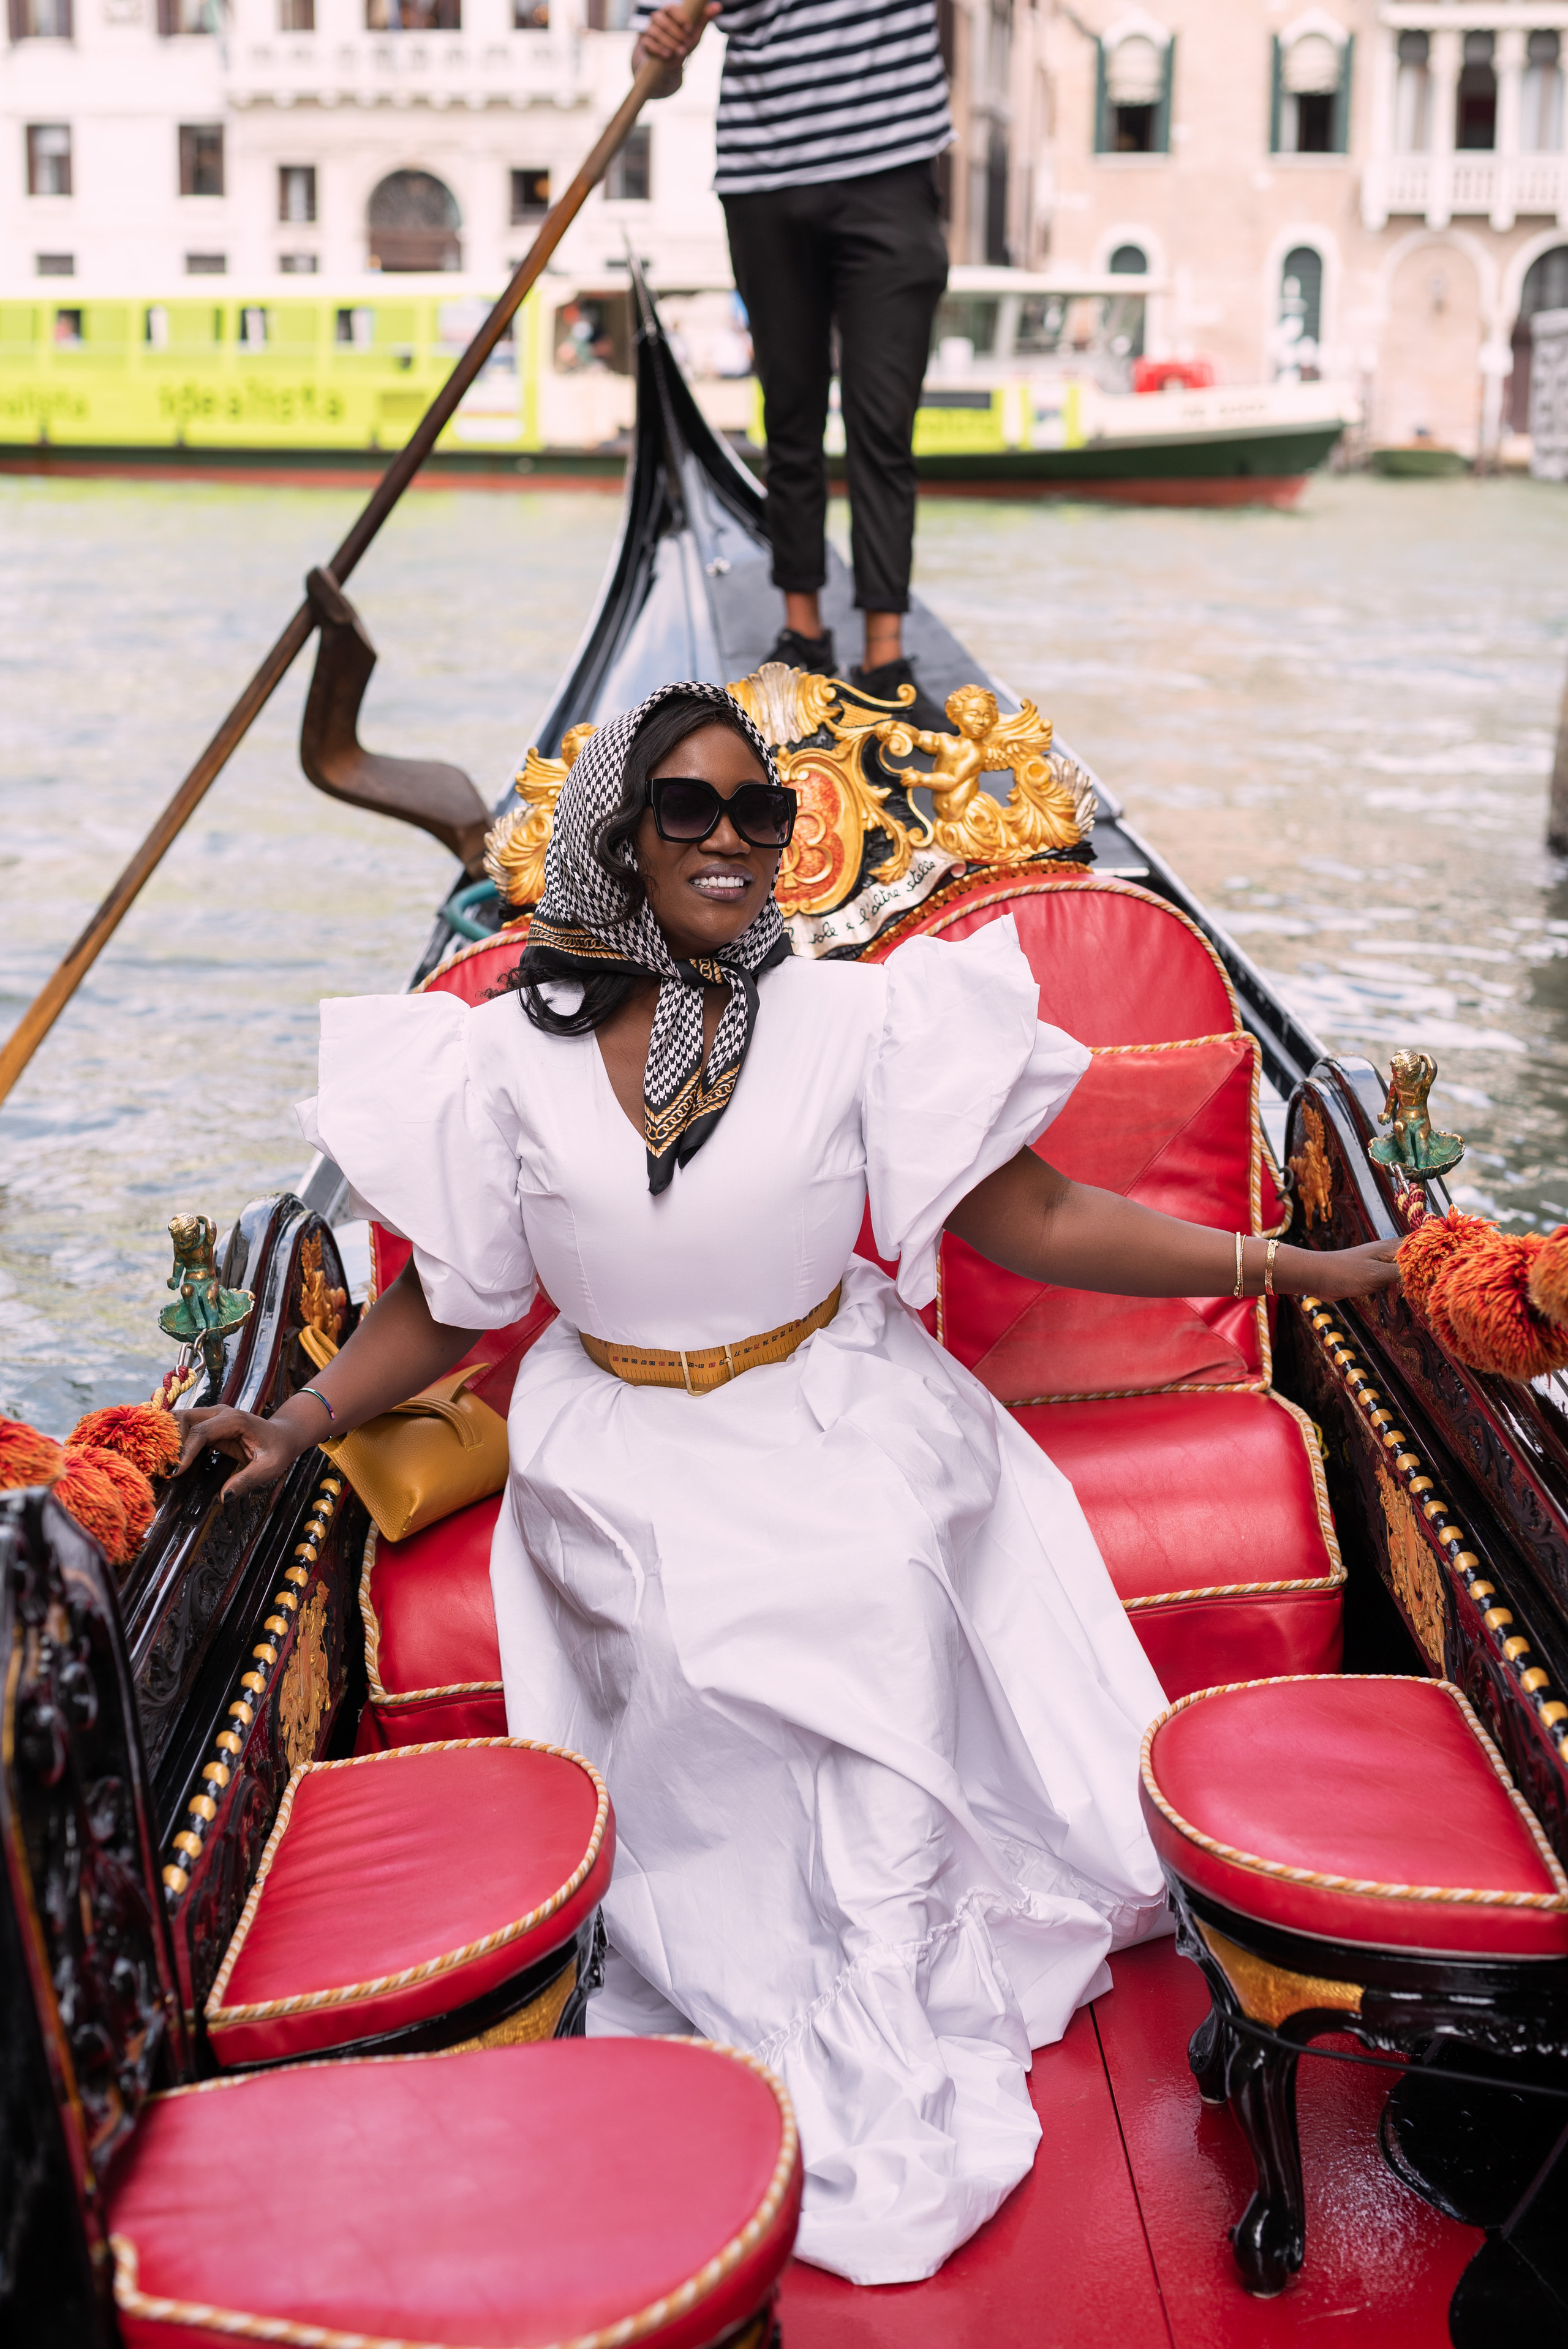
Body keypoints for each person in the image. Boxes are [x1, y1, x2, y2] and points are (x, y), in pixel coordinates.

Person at [180, 682, 1400, 2287]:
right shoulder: (503, 1059)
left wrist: (1294, 1267)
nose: (732, 842)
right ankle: (765, 1979)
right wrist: (297, 1416)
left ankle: (884, 2002)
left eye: (760, 813)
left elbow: (1035, 1219)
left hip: (842, 1404)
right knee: (698, 1631)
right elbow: (454, 1301)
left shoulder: (854, 1021)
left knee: (872, 1576)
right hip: (617, 1444)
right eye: (687, 810)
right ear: (619, 837)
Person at [632, 0, 954, 721]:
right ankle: (802, 636)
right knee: (790, 414)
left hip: (891, 167)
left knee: (882, 422)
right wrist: (666, 44)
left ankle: (884, 658)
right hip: (765, 180)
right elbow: (653, 73)